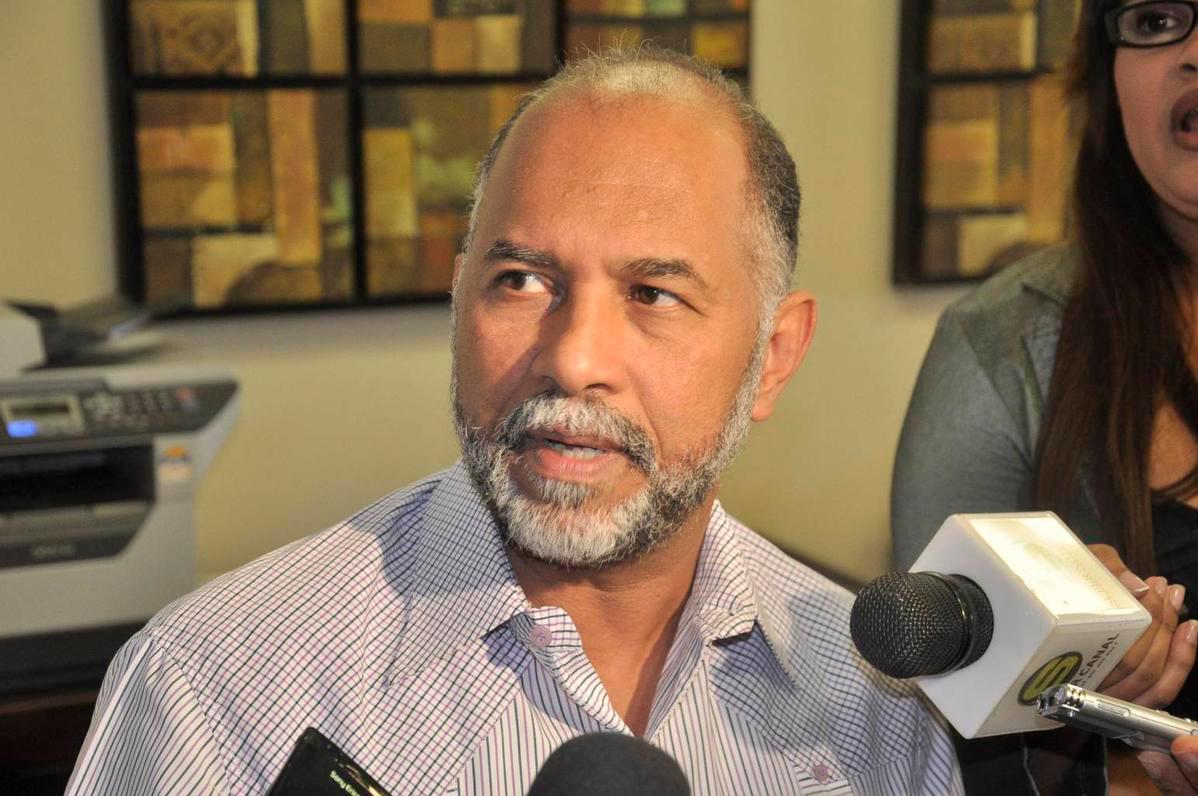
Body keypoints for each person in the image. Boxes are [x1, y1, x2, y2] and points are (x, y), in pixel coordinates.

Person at [67, 48, 963, 794]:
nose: (573, 358)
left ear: (773, 355)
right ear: (459, 300)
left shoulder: (882, 701)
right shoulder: (215, 688)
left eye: (652, 294)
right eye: (523, 281)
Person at [893, 0, 1198, 791]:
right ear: (1107, 77)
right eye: (1158, 20)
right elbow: (926, 723)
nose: (1194, 52)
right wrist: (1069, 690)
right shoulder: (1002, 342)